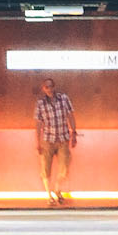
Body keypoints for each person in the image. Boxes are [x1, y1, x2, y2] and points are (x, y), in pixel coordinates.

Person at [34, 76, 77, 206]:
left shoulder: (63, 99)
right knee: (45, 169)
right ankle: (49, 196)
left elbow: (70, 115)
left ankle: (57, 190)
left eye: (51, 86)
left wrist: (73, 133)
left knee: (64, 167)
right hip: (48, 139)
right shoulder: (40, 103)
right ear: (43, 89)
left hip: (63, 138)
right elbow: (38, 124)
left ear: (54, 87)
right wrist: (38, 142)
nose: (49, 89)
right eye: (46, 87)